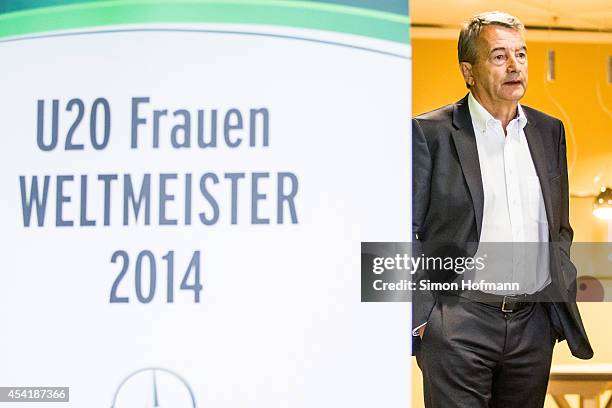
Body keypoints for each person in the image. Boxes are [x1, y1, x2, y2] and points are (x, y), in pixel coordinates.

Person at [411, 11, 593, 408]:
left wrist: (553, 303)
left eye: (521, 54)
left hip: (532, 325)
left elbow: (559, 228)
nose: (515, 66)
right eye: (498, 56)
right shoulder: (431, 133)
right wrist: (424, 318)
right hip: (458, 320)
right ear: (469, 71)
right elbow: (405, 230)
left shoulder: (550, 132)